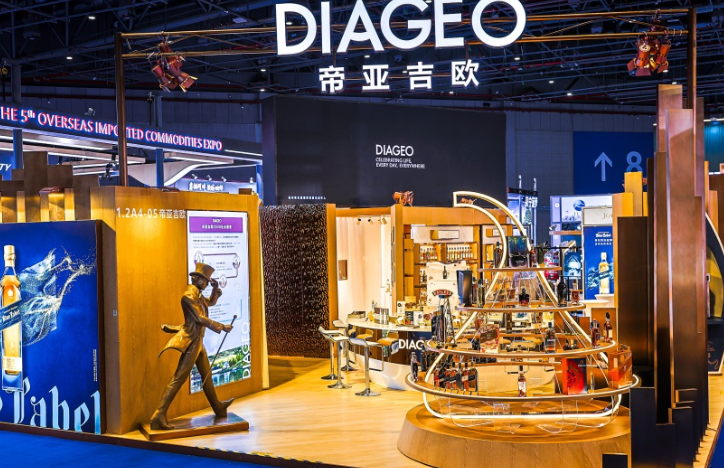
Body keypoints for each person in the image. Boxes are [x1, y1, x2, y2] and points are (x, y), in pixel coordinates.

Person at [150, 262, 234, 430]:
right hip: (191, 343)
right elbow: (200, 318)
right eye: (206, 281)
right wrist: (222, 326)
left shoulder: (198, 295)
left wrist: (215, 291)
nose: (207, 283)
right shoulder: (188, 297)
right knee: (178, 378)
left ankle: (217, 406)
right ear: (197, 279)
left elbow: (209, 303)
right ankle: (158, 415)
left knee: (206, 376)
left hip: (198, 343)